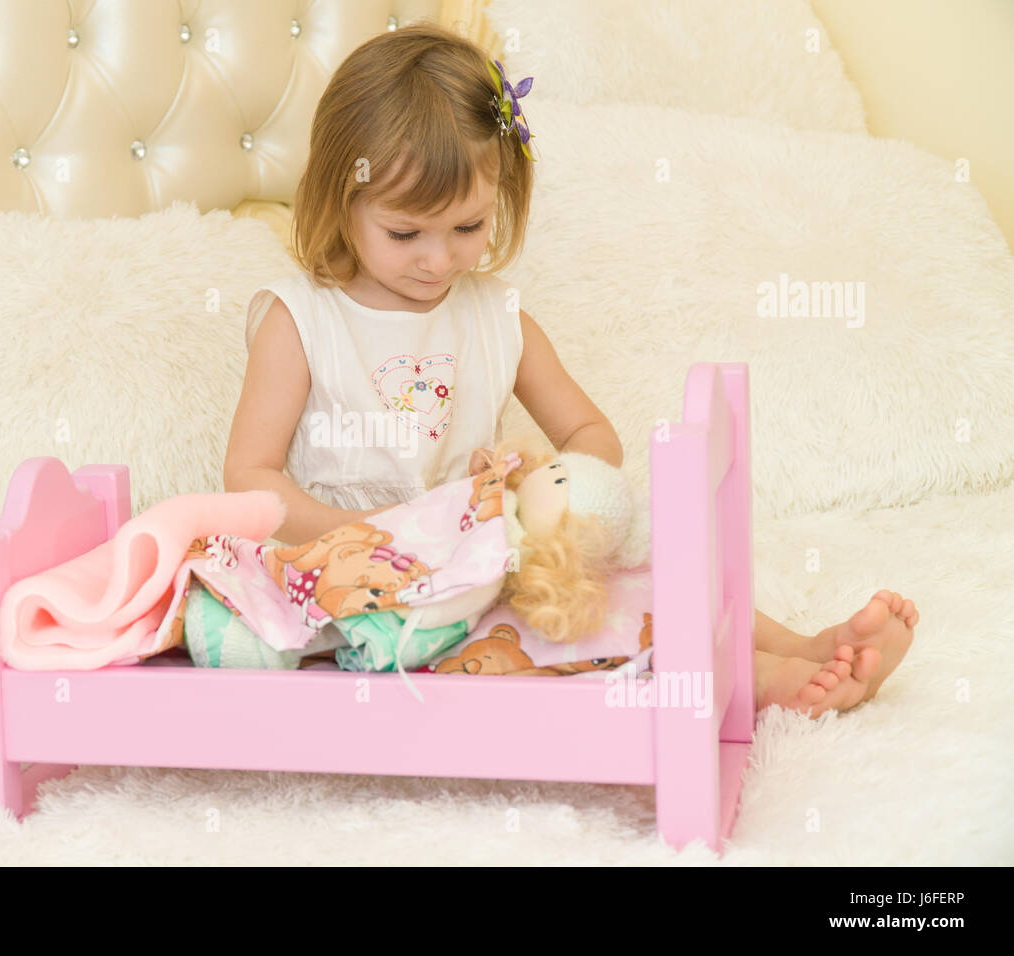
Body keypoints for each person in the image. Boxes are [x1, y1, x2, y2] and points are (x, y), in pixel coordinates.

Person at [223, 22, 914, 717]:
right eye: (405, 233)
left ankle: (802, 645)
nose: (438, 259)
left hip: (487, 564)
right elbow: (249, 475)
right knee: (543, 638)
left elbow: (589, 432)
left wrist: (542, 501)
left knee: (635, 566)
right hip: (363, 589)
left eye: (467, 227)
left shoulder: (498, 318)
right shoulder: (301, 321)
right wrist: (379, 535)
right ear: (342, 202)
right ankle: (754, 683)